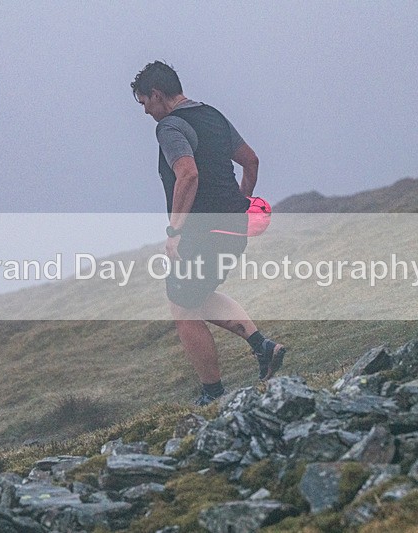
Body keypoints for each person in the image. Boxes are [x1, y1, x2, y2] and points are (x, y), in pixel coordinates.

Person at [131, 60, 286, 406]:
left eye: (144, 103)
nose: (146, 112)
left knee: (182, 307)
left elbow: (188, 174)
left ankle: (212, 393)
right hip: (233, 228)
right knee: (195, 296)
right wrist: (240, 204)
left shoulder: (170, 126)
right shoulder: (213, 115)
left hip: (202, 231)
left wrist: (175, 230)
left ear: (157, 94)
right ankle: (263, 347)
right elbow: (251, 161)